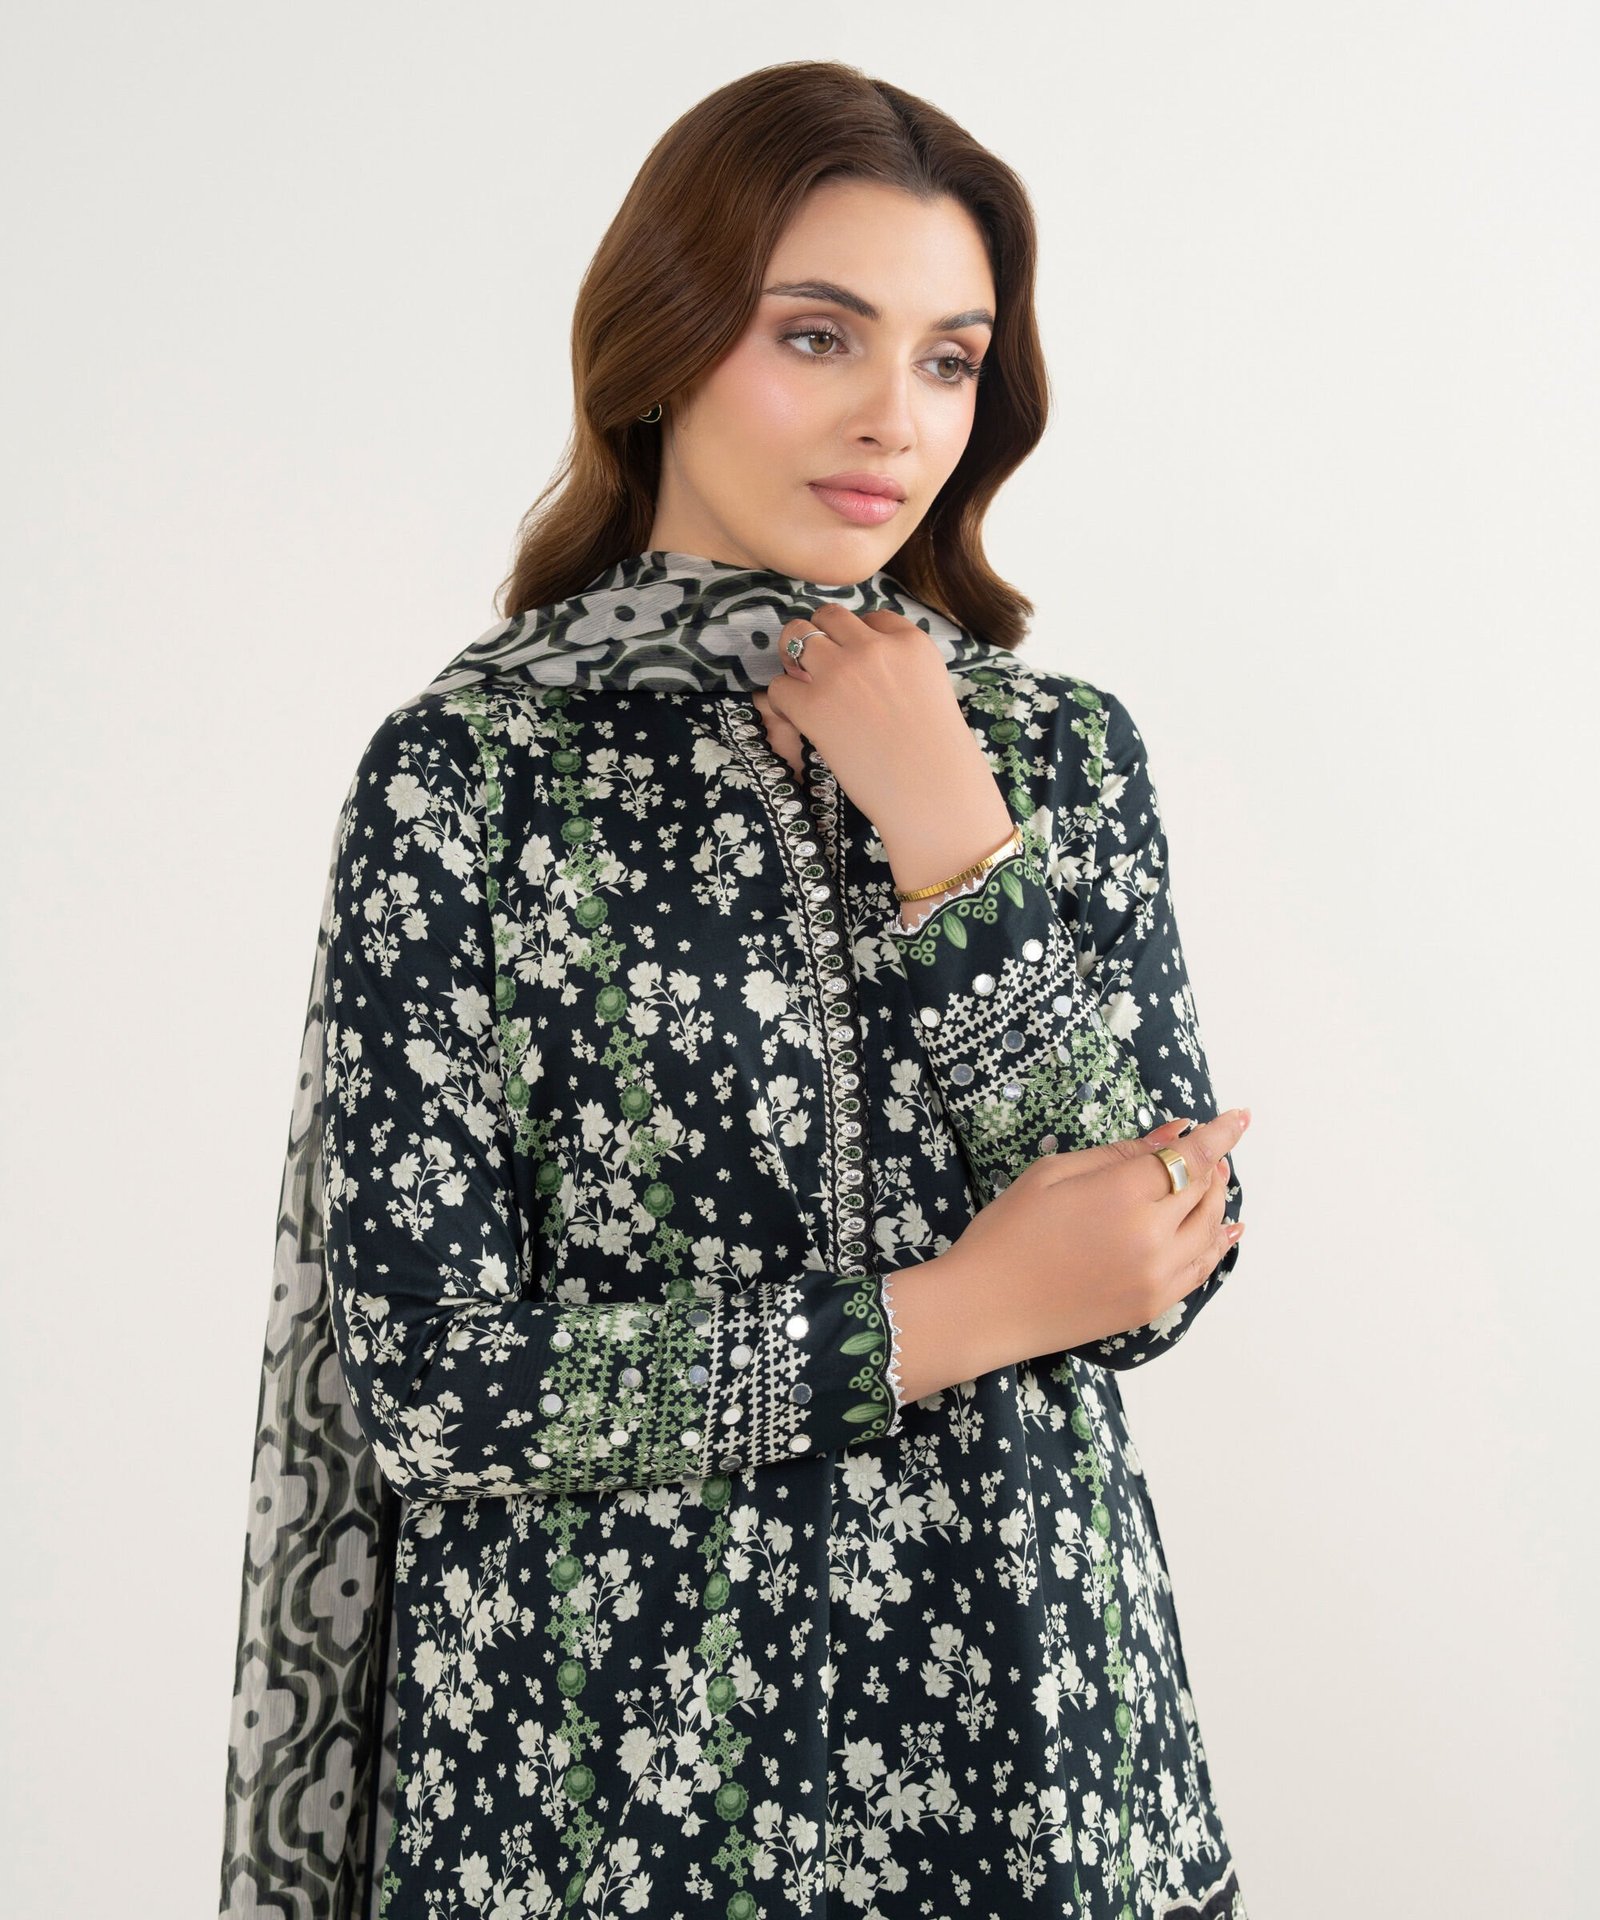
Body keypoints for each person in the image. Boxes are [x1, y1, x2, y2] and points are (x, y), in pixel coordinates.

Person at [220, 58, 1252, 1920]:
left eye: (949, 359)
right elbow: (440, 1389)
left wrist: (952, 835)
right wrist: (955, 1313)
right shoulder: (474, 776)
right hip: (598, 1783)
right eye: (817, 335)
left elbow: (1153, 1271)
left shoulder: (1054, 756)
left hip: (1029, 1761)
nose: (893, 418)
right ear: (664, 343)